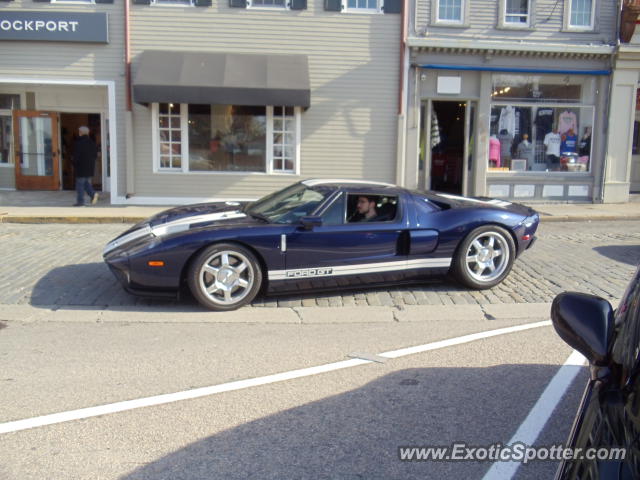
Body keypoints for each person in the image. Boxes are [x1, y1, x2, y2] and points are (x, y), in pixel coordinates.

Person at [72, 126, 99, 206]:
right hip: (90, 167)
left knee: (80, 185)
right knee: (86, 183)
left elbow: (76, 156)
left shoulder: (78, 142)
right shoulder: (92, 142)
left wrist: (74, 163)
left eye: (79, 131)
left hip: (81, 167)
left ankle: (80, 202)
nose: (78, 133)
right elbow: (95, 155)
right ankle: (93, 194)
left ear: (81, 132)